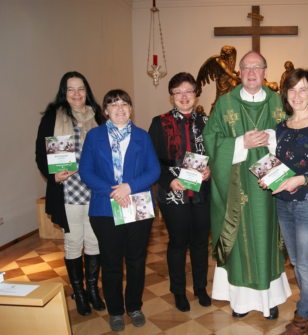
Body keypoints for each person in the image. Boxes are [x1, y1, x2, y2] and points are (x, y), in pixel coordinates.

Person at [203, 51, 292, 319]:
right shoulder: (224, 104)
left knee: (267, 241)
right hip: (236, 189)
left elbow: (295, 137)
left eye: (257, 67)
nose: (252, 72)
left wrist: (273, 137)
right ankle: (240, 303)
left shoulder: (279, 101)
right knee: (241, 244)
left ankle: (270, 300)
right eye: (246, 68)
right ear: (239, 72)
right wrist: (241, 143)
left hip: (269, 192)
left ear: (266, 71)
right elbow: (211, 140)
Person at [79, 89, 160, 332]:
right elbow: (86, 171)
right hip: (104, 207)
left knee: (136, 261)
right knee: (111, 262)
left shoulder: (142, 136)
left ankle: (134, 306)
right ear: (105, 111)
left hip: (137, 205)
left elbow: (154, 170)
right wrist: (114, 191)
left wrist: (130, 187)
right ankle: (115, 310)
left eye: (124, 104)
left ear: (130, 109)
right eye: (113, 104)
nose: (120, 108)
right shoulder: (94, 137)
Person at [265, 68, 308, 334]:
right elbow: (278, 164)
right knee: (295, 260)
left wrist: (302, 179)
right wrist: (268, 177)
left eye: (303, 89)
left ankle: (303, 317)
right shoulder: (280, 128)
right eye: (292, 90)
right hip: (282, 201)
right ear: (286, 95)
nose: (297, 95)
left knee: (305, 263)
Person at [35, 71, 105, 316]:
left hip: (95, 190)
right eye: (71, 89)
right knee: (74, 242)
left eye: (81, 89)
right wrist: (52, 175)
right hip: (68, 191)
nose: (76, 94)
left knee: (95, 241)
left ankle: (93, 290)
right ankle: (79, 292)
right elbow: (40, 154)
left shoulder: (98, 116)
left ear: (87, 91)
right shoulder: (54, 116)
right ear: (64, 92)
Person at [148, 72, 212, 312]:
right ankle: (178, 291)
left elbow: (216, 154)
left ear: (196, 94)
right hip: (173, 193)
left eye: (189, 91)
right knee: (178, 243)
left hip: (202, 194)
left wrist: (211, 170)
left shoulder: (206, 122)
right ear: (171, 96)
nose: (184, 96)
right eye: (178, 92)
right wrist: (169, 180)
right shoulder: (160, 122)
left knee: (199, 243)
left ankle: (200, 288)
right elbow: (152, 160)